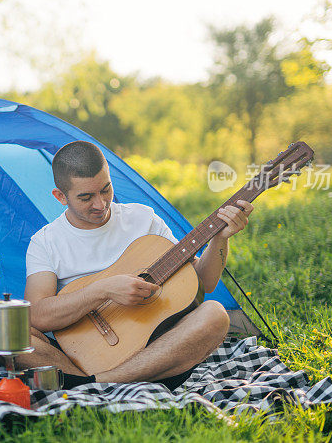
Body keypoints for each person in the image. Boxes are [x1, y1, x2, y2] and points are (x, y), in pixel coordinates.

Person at [16, 140, 253, 390]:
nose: (100, 204)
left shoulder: (143, 219)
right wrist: (103, 290)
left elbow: (204, 282)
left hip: (155, 351)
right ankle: (99, 380)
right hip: (78, 357)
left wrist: (219, 240)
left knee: (215, 314)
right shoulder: (46, 241)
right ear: (60, 196)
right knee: (6, 333)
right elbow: (37, 314)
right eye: (86, 197)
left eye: (106, 189)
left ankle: (94, 385)